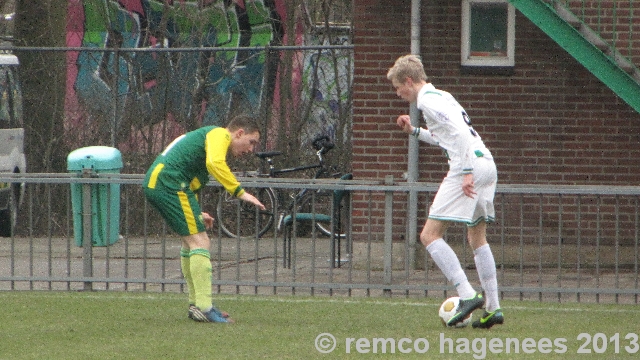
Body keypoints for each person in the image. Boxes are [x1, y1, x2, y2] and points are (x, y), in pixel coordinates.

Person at [387, 54, 503, 329]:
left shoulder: (427, 99)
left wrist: (464, 173)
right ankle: (493, 308)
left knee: (429, 235)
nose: (398, 93)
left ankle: (467, 295)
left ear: (408, 80)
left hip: (469, 166)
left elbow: (461, 133)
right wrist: (415, 131)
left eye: (397, 87)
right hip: (486, 162)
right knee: (477, 237)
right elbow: (447, 137)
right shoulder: (441, 96)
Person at [142, 114, 266, 323]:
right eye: (251, 142)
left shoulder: (207, 140)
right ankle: (204, 307)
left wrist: (197, 212)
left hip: (166, 183)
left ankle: (197, 305)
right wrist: (239, 192)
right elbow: (215, 163)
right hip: (168, 184)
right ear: (239, 133)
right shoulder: (219, 134)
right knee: (200, 241)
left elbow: (192, 182)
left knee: (191, 243)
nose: (251, 149)